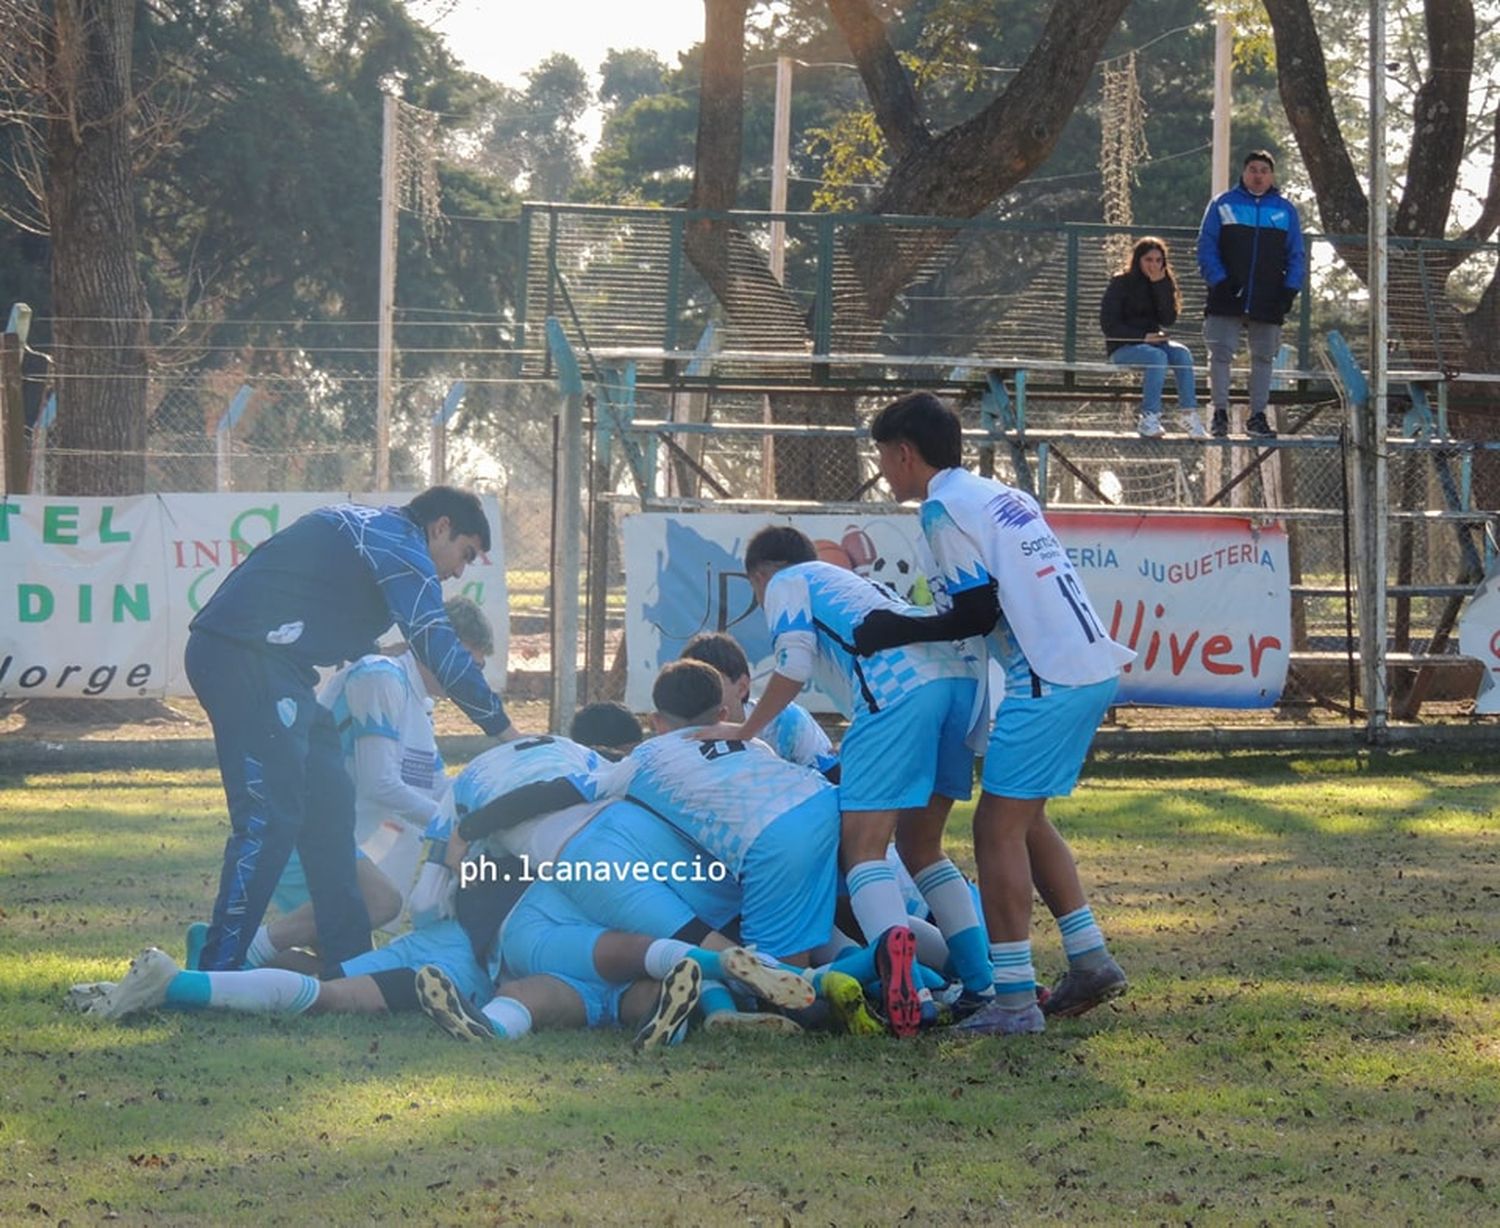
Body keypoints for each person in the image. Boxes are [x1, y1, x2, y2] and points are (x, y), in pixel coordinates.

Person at [863, 393, 1135, 1036]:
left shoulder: (942, 510)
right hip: (1084, 665)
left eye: (883, 457)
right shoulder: (994, 494)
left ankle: (1012, 1000)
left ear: (905, 453)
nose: (884, 471)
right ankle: (1090, 959)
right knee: (1026, 819)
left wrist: (890, 628)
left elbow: (976, 612)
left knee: (994, 830)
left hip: (1049, 675)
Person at [184, 485, 518, 976]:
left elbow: (327, 599)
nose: (458, 571)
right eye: (464, 554)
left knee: (328, 806)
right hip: (244, 656)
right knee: (269, 819)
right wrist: (507, 733)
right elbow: (434, 640)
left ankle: (350, 968)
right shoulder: (401, 545)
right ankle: (216, 972)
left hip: (278, 667)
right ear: (440, 526)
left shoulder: (378, 532)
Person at [694, 528, 992, 1038]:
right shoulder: (852, 585)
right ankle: (982, 985)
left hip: (898, 691)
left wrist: (745, 729)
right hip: (960, 686)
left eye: (756, 590)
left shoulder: (788, 582)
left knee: (862, 849)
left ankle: (909, 991)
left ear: (762, 575)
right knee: (922, 846)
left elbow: (793, 663)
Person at [1196, 149, 1307, 439]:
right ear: (1243, 173)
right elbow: (1206, 245)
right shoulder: (1222, 204)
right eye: (1253, 169)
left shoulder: (1285, 210)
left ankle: (1258, 416)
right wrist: (1219, 281)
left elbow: (1296, 254)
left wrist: (1290, 289)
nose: (1258, 175)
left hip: (1268, 296)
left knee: (1264, 358)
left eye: (1264, 170)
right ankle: (1219, 413)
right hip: (1226, 293)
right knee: (1220, 354)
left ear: (1272, 176)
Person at [678, 631, 839, 779]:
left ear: (742, 687)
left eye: (708, 684)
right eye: (690, 686)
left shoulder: (787, 721)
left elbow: (834, 780)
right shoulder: (685, 735)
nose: (697, 695)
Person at [1100, 237, 1207, 440]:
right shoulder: (1120, 283)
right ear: (1138, 260)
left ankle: (1189, 415)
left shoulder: (1163, 282)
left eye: (1159, 260)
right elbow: (1109, 325)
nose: (1154, 265)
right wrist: (1142, 337)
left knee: (1182, 354)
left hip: (1154, 344)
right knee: (1156, 357)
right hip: (1123, 348)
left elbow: (1168, 319)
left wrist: (1160, 286)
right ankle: (1149, 418)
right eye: (1149, 260)